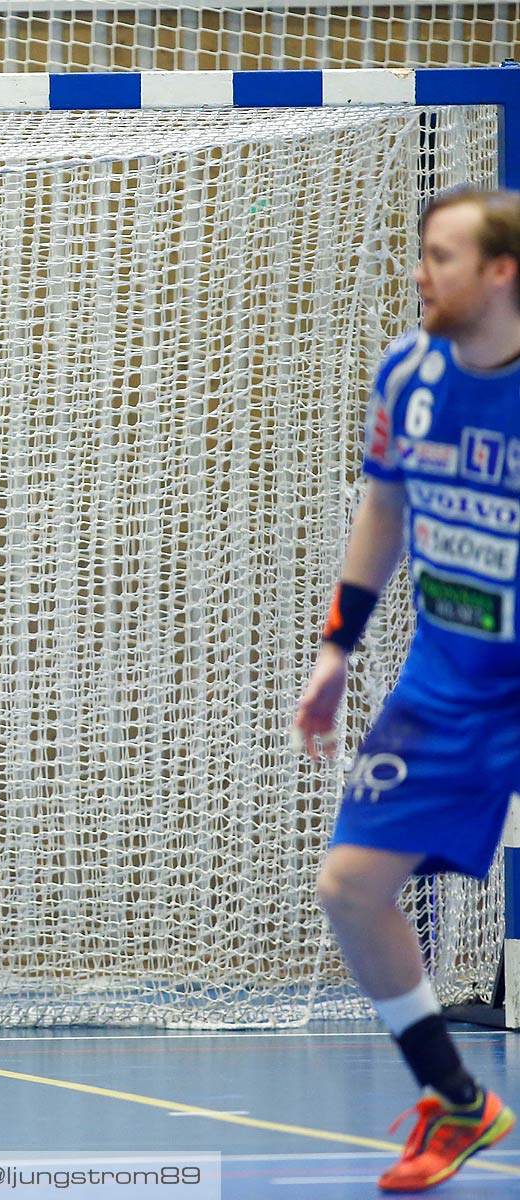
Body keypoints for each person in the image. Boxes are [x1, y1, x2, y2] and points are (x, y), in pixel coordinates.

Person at [293, 186, 520, 1194]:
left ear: (501, 272)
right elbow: (384, 509)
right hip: (449, 679)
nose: (421, 275)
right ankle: (459, 1100)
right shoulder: (409, 371)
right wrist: (337, 651)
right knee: (350, 885)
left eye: (441, 257)